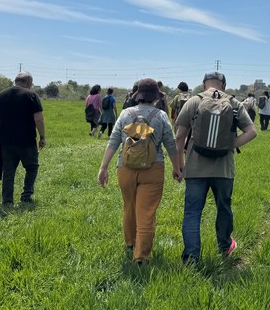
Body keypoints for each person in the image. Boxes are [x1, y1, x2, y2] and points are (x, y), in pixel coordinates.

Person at [175, 72, 257, 264]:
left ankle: (191, 257)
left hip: (195, 168)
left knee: (192, 213)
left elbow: (179, 137)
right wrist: (228, 144)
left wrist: (179, 165)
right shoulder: (234, 104)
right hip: (224, 169)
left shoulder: (194, 101)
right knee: (224, 208)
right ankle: (225, 246)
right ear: (224, 84)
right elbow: (252, 132)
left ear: (204, 84)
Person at [97, 78, 181, 263]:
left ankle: (130, 243)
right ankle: (141, 255)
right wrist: (176, 167)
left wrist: (103, 167)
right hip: (153, 168)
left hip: (125, 167)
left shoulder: (125, 113)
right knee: (146, 212)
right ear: (156, 97)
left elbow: (114, 141)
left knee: (129, 206)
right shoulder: (161, 116)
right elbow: (171, 144)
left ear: (138, 96)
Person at [0, 71, 46, 205]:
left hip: (6, 141)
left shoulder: (2, 94)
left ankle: (7, 200)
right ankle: (26, 196)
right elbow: (38, 119)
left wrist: (1, 130)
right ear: (28, 81)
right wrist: (42, 137)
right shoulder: (31, 95)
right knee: (32, 167)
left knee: (8, 171)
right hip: (27, 140)